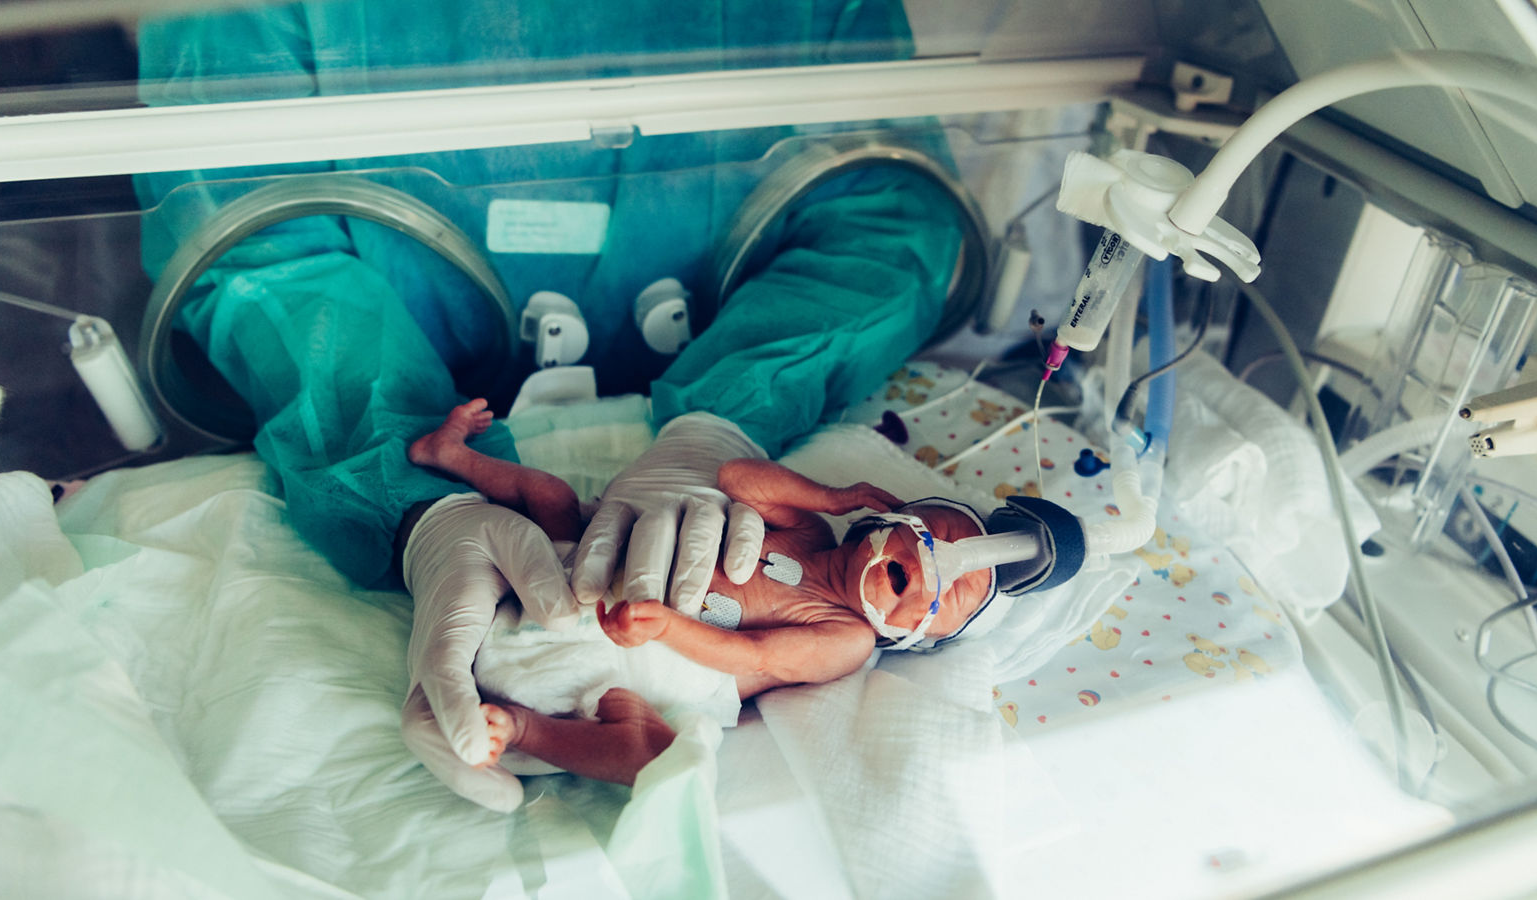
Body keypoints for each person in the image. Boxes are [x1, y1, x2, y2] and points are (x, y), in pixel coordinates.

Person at [134, 0, 964, 811]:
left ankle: (521, 723)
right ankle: (452, 511)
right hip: (412, 409)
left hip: (680, 471)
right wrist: (423, 509)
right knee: (549, 529)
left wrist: (726, 417)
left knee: (618, 718)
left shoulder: (841, 632)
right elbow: (248, 245)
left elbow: (888, 221)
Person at [406, 399, 996, 792]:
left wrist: (667, 627)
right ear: (890, 519)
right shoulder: (811, 532)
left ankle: (521, 729)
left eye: (952, 597)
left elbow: (755, 655)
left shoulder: (849, 637)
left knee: (652, 751)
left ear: (919, 637)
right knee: (552, 498)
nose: (937, 571)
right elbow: (738, 479)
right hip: (579, 583)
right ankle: (449, 454)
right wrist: (833, 496)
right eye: (937, 536)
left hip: (653, 667)